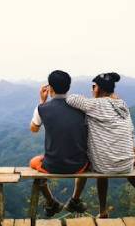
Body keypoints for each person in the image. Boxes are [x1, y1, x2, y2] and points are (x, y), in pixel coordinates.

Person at [65, 72, 135, 218]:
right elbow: (131, 134)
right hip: (127, 164)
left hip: (104, 166)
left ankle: (90, 206)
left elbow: (71, 99)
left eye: (93, 86)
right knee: (110, 154)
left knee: (89, 158)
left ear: (98, 88)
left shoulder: (96, 104)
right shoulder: (123, 105)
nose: (91, 89)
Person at [29, 70, 90, 216]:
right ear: (68, 87)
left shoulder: (42, 108)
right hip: (79, 165)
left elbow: (33, 129)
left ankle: (51, 202)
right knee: (87, 160)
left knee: (33, 162)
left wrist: (42, 102)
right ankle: (75, 199)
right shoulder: (81, 108)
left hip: (51, 165)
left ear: (50, 88)